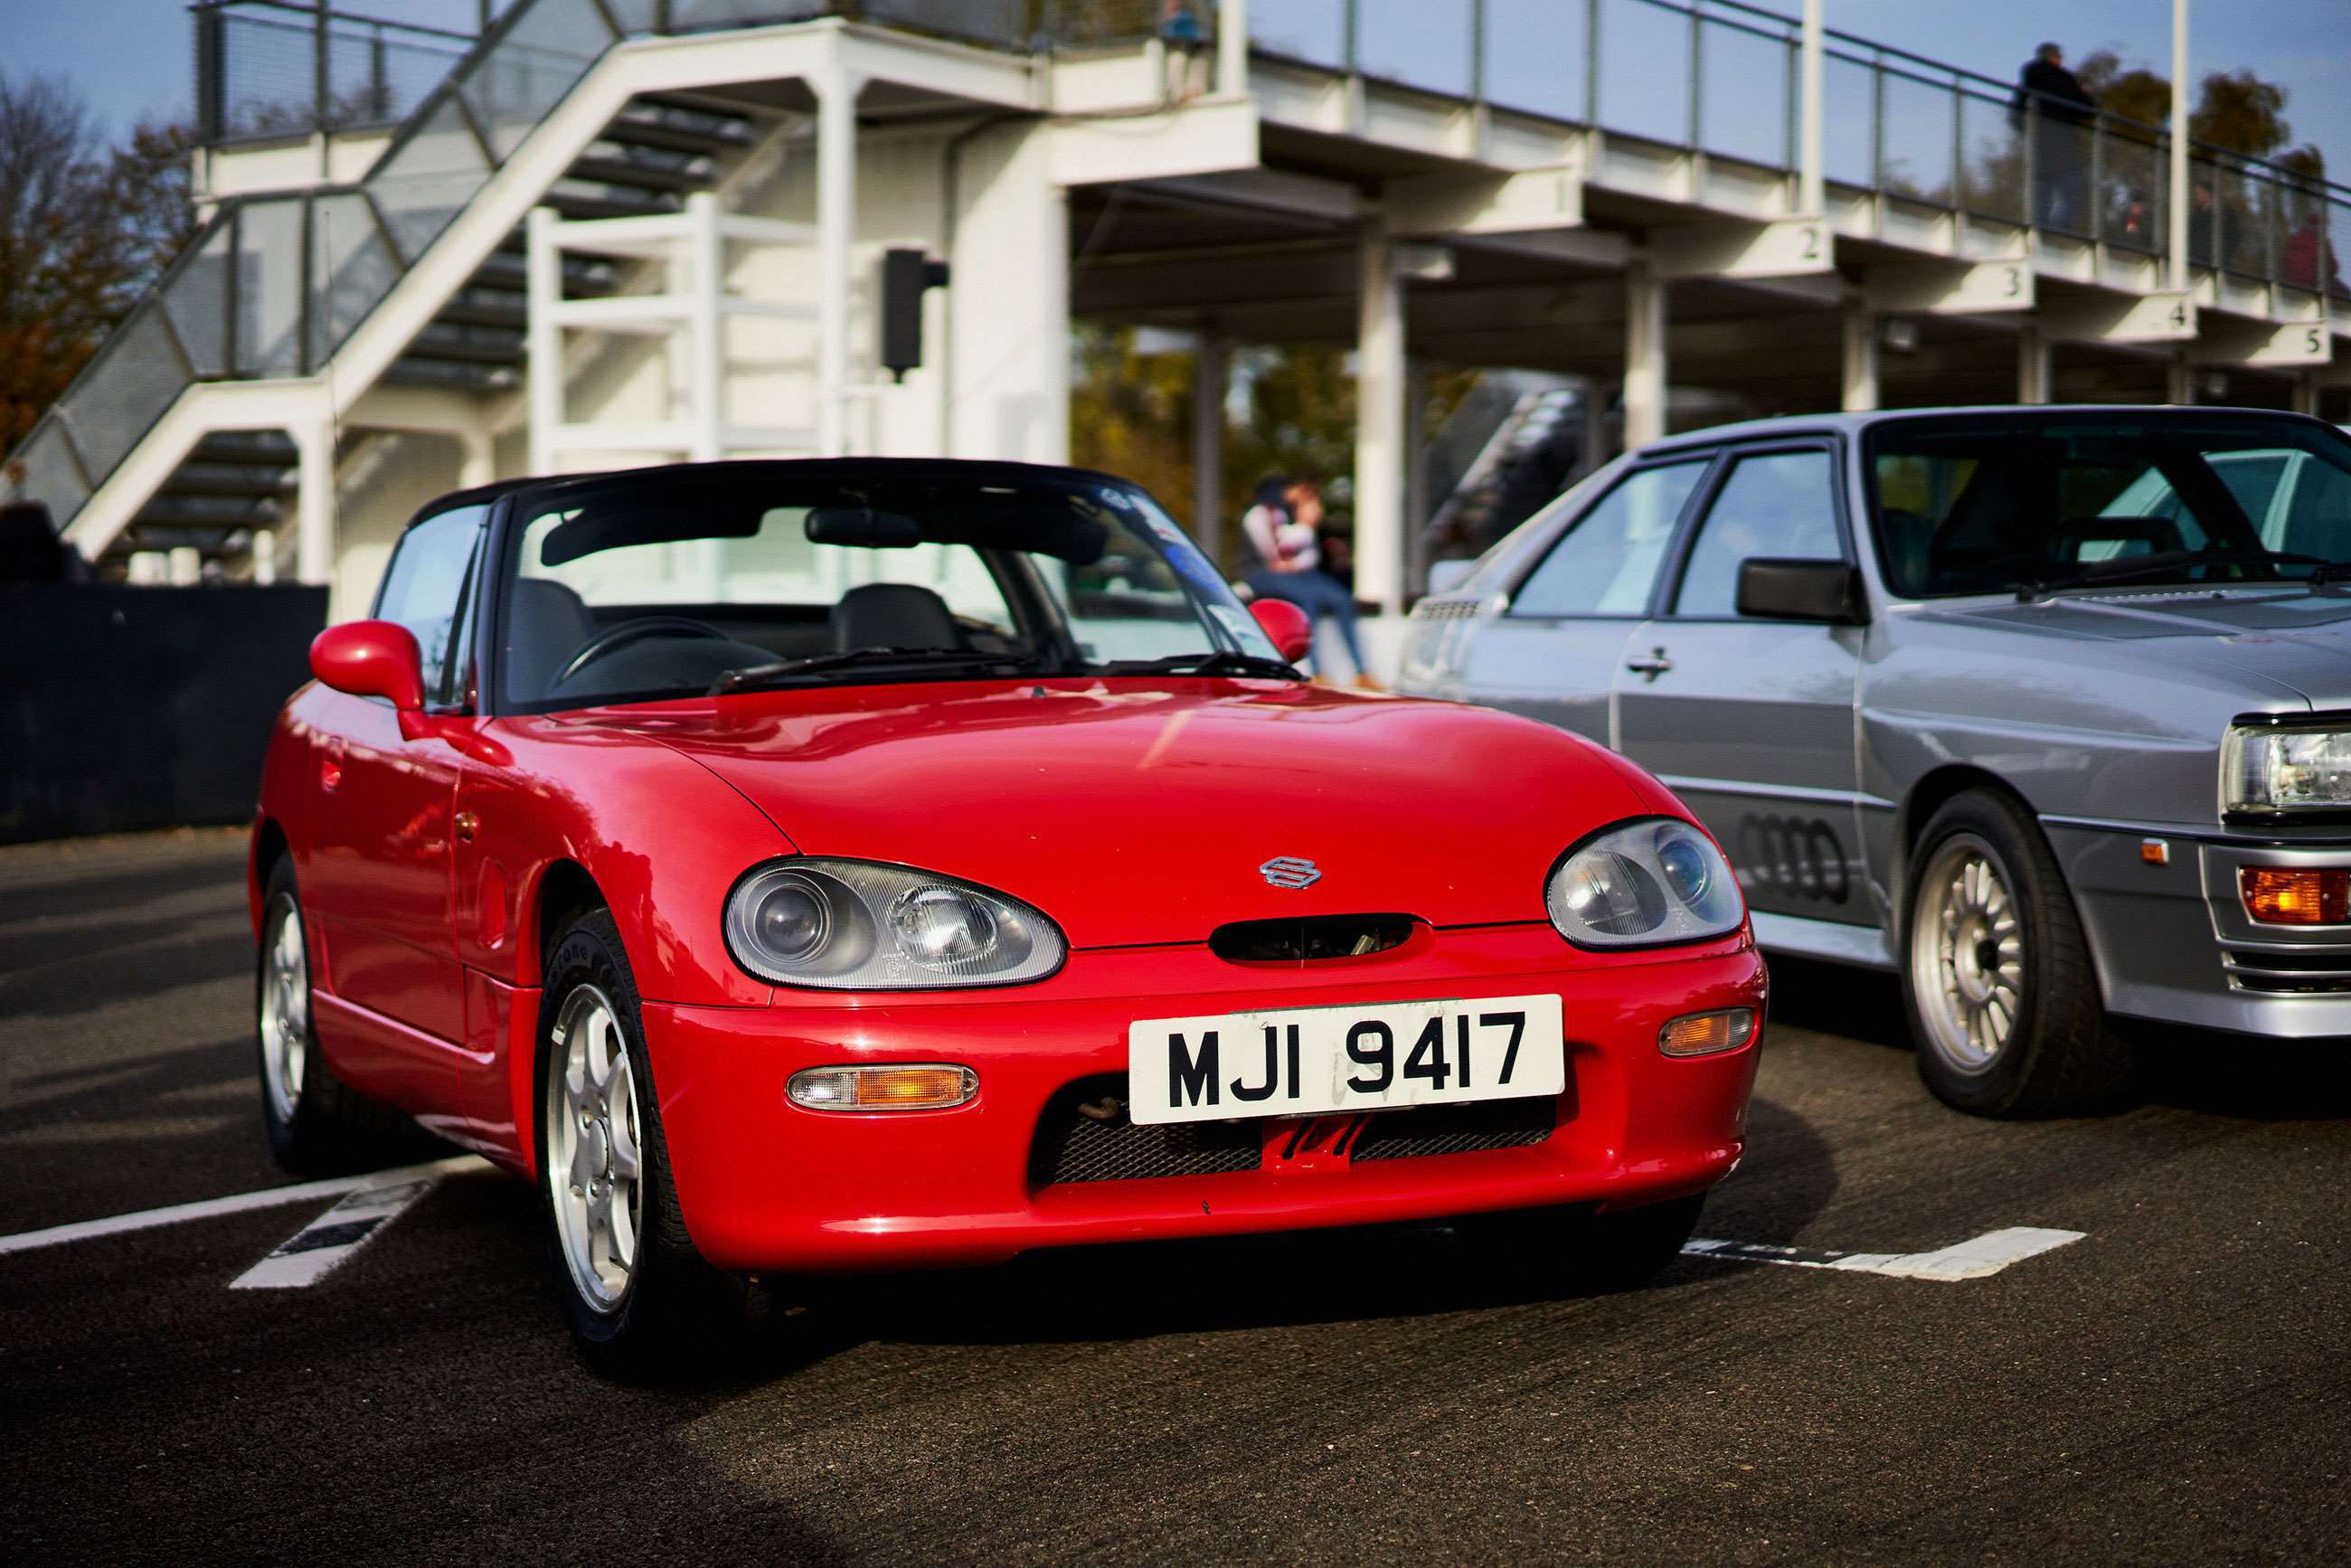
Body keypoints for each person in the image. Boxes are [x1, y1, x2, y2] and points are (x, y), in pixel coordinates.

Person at [1242, 473, 1380, 689]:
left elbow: (1309, 556)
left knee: (1342, 599)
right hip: (1264, 576)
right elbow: (1276, 555)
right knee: (1308, 601)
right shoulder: (1260, 515)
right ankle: (1316, 672)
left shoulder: (1289, 514)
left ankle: (1362, 672)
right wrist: (1305, 525)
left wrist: (1305, 528)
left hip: (1300, 574)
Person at [2012, 43, 2095, 231]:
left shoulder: (2030, 78)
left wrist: (2025, 129)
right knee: (2071, 192)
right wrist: (2087, 95)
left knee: (2042, 191)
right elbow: (2086, 109)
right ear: (2054, 58)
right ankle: (2059, 231)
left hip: (2040, 141)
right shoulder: (2065, 79)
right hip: (2065, 142)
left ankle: (2039, 229)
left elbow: (2017, 108)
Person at [1159, 0, 1207, 103]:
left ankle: (1193, 90)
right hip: (1178, 49)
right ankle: (1178, 94)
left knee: (1196, 61)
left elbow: (1197, 36)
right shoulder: (1169, 22)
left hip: (1190, 48)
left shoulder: (1186, 17)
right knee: (1177, 61)